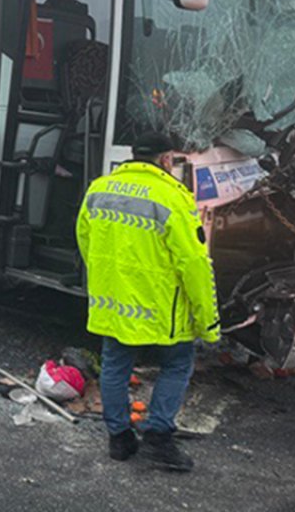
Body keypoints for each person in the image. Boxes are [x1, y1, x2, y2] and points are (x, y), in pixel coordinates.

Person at [75, 131, 219, 472]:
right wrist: (208, 321)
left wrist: (107, 283)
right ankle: (157, 437)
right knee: (177, 364)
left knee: (114, 367)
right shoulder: (173, 197)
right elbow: (194, 265)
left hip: (113, 304)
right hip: (161, 311)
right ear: (167, 160)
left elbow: (85, 241)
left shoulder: (99, 188)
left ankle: (120, 439)